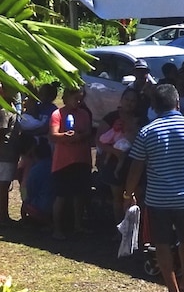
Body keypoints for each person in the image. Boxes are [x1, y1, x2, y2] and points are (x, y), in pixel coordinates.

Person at [125, 84, 184, 292]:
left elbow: (136, 166)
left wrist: (128, 193)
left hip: (158, 199)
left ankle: (174, 291)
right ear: (177, 103)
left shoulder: (148, 131)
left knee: (162, 243)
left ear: (154, 106)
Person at [48, 86, 93, 239]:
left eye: (81, 98)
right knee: (61, 196)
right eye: (76, 98)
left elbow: (88, 132)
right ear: (66, 97)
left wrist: (80, 136)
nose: (78, 101)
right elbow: (53, 135)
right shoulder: (57, 114)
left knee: (79, 195)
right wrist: (66, 136)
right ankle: (57, 229)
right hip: (63, 161)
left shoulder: (84, 114)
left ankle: (78, 226)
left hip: (81, 159)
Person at [96, 87, 145, 225]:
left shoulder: (141, 119)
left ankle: (136, 230)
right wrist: (114, 151)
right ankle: (119, 229)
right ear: (121, 100)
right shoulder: (111, 117)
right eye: (127, 99)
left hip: (135, 163)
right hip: (113, 162)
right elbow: (99, 140)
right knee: (117, 197)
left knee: (137, 196)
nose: (129, 103)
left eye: (133, 100)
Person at [0, 83, 21, 226]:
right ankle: (3, 217)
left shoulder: (10, 108)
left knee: (4, 186)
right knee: (2, 187)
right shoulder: (4, 111)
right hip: (4, 155)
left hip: (9, 154)